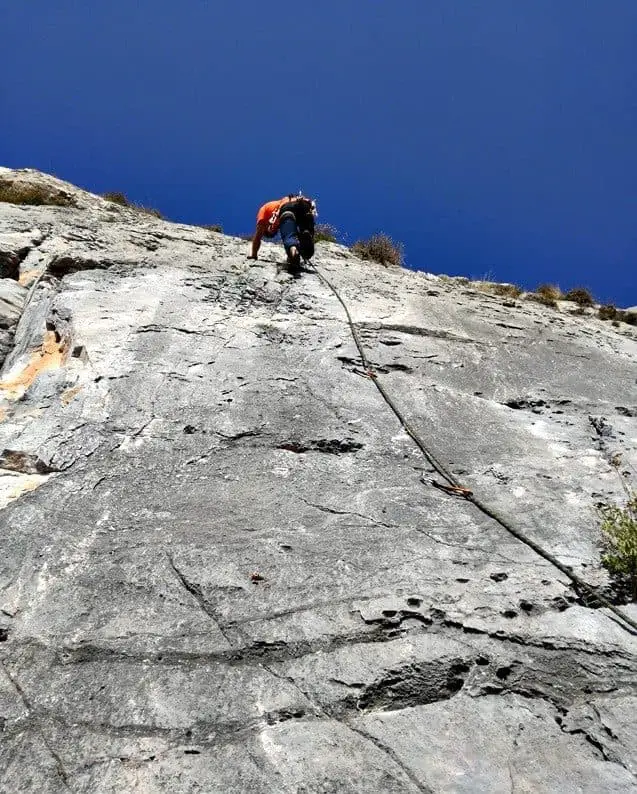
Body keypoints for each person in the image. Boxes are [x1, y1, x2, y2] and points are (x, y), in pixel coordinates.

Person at [248, 193, 317, 270]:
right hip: (305, 205)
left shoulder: (263, 211)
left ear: (267, 228)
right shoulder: (277, 208)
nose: (274, 232)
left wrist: (254, 255)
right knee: (305, 233)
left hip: (287, 207)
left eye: (271, 233)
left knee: (288, 234)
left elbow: (258, 236)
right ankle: (306, 233)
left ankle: (293, 248)